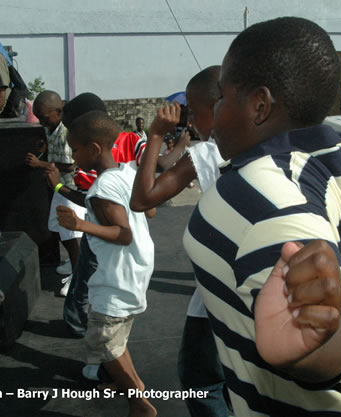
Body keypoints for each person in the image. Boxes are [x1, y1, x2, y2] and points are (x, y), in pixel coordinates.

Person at [182, 17, 341, 416]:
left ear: (260, 105)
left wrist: (309, 349)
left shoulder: (248, 195)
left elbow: (329, 344)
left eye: (222, 97)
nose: (214, 113)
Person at [130, 66, 229, 417]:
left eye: (192, 109)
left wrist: (157, 135)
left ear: (216, 108)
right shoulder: (281, 150)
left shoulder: (209, 155)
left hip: (218, 295)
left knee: (202, 382)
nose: (189, 119)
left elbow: (142, 199)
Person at [55, 110, 156, 417]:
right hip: (135, 269)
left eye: (76, 149)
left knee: (101, 340)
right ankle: (133, 388)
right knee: (114, 339)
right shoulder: (127, 173)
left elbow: (122, 234)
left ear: (94, 148)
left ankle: (139, 401)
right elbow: (149, 211)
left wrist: (79, 224)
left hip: (115, 277)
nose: (73, 157)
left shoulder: (100, 189)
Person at [24, 90, 81, 295]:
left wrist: (40, 163)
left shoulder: (66, 133)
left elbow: (69, 165)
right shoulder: (51, 127)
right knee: (60, 229)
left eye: (44, 118)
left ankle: (78, 276)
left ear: (59, 111)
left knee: (71, 234)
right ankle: (73, 262)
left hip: (70, 189)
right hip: (58, 187)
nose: (41, 122)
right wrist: (45, 147)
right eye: (38, 118)